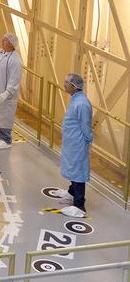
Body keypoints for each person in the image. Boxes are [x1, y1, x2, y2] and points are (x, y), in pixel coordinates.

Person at [57, 72, 93, 217]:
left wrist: (88, 141)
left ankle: (79, 206)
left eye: (66, 83)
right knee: (73, 168)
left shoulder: (82, 103)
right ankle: (72, 193)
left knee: (78, 173)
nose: (64, 84)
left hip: (78, 143)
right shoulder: (75, 99)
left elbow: (86, 125)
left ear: (74, 86)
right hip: (72, 143)